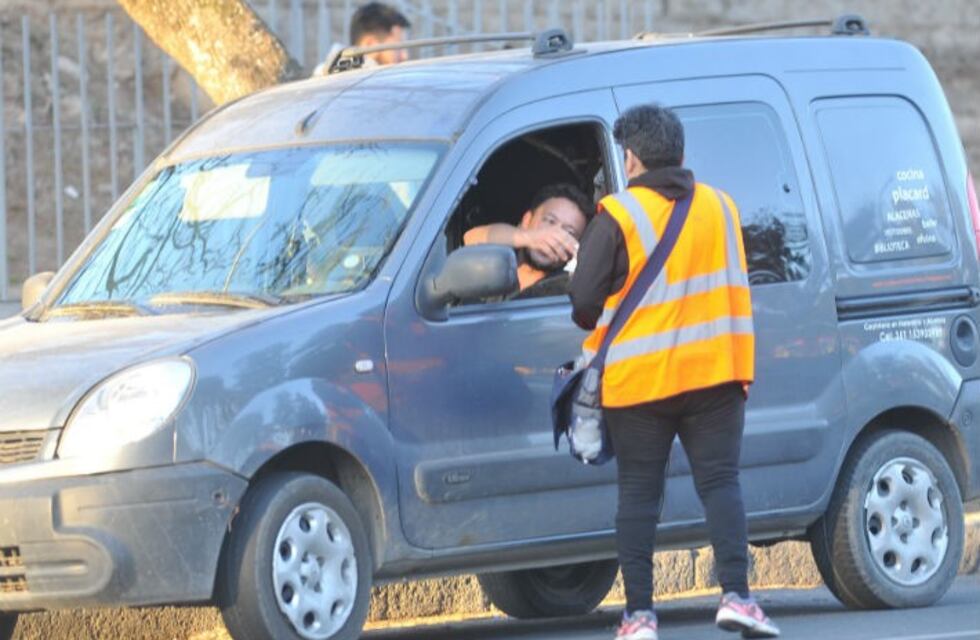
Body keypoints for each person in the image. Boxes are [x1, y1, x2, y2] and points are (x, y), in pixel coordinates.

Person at [568, 104, 779, 640]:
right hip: (718, 371)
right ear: (682, 155)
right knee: (721, 483)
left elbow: (583, 305)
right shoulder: (722, 206)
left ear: (631, 158)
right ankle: (738, 597)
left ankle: (639, 617)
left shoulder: (618, 214)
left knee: (638, 495)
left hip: (641, 381)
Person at [463, 183, 591, 297]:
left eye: (568, 232)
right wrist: (529, 237)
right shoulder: (496, 263)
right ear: (527, 220)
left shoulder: (565, 294)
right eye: (550, 221)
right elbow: (470, 238)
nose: (555, 235)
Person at [313, 3, 411, 75]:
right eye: (399, 47)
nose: (405, 56)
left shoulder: (329, 72)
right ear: (370, 44)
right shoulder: (361, 80)